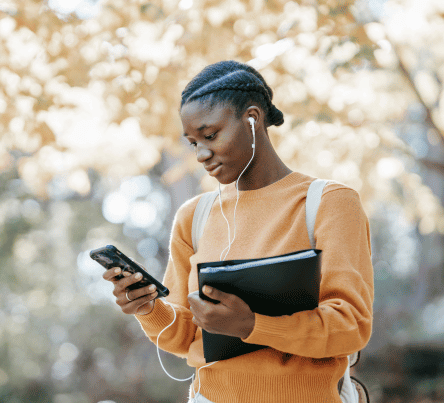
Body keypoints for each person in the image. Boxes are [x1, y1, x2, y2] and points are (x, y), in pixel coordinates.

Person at [102, 60, 374, 403]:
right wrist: (147, 308)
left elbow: (351, 326)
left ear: (252, 119)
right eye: (193, 143)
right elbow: (184, 336)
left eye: (210, 135)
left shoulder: (329, 203)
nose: (201, 154)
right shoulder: (194, 216)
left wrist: (251, 325)